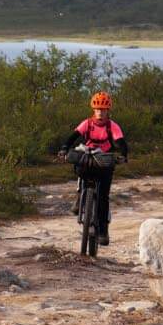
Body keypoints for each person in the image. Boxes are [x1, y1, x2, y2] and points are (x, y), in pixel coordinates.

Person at [58, 91, 127, 246]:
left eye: (103, 110)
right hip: (88, 157)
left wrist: (123, 155)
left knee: (103, 197)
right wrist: (64, 148)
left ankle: (103, 230)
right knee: (79, 166)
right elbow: (73, 136)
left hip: (104, 161)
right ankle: (79, 197)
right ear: (93, 110)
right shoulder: (87, 123)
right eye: (97, 109)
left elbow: (121, 143)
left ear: (108, 110)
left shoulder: (112, 126)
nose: (100, 113)